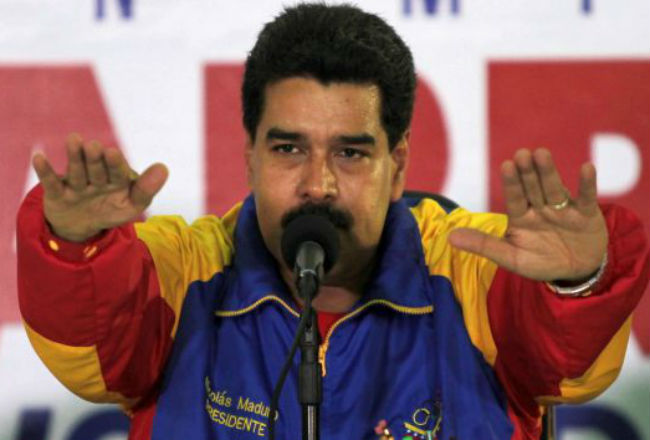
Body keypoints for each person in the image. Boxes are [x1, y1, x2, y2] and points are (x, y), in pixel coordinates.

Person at [16, 3, 648, 440]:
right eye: (289, 149)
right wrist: (75, 246)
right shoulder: (187, 273)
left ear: (397, 166)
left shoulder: (471, 267)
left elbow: (563, 366)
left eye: (349, 153)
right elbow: (96, 352)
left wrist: (576, 286)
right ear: (250, 155)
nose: (317, 184)